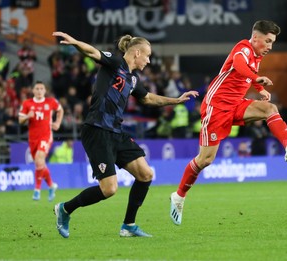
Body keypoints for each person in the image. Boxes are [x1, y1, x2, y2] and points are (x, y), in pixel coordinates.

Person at [51, 31, 198, 238]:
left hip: (116, 132)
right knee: (109, 189)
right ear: (137, 53)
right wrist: (75, 42)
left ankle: (128, 225)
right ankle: (65, 209)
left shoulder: (134, 80)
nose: (148, 60)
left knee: (146, 174)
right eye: (147, 56)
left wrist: (176, 100)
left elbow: (147, 99)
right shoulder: (114, 63)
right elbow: (92, 52)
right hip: (97, 129)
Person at [169, 20, 287, 225]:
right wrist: (257, 78)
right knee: (205, 159)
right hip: (216, 107)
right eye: (268, 41)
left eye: (273, 42)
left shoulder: (257, 55)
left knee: (270, 109)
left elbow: (248, 76)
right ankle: (179, 196)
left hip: (235, 105)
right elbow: (240, 66)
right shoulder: (242, 48)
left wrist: (260, 89)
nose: (270, 46)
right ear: (256, 38)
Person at [18, 81, 63, 201]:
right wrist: (28, 116)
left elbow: (60, 110)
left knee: (39, 159)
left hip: (46, 136)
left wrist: (58, 123)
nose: (39, 91)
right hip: (33, 139)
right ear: (33, 90)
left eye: (41, 89)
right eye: (37, 89)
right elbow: (20, 119)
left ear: (45, 90)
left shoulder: (50, 102)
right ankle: (51, 186)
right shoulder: (27, 103)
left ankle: (36, 190)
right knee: (40, 164)